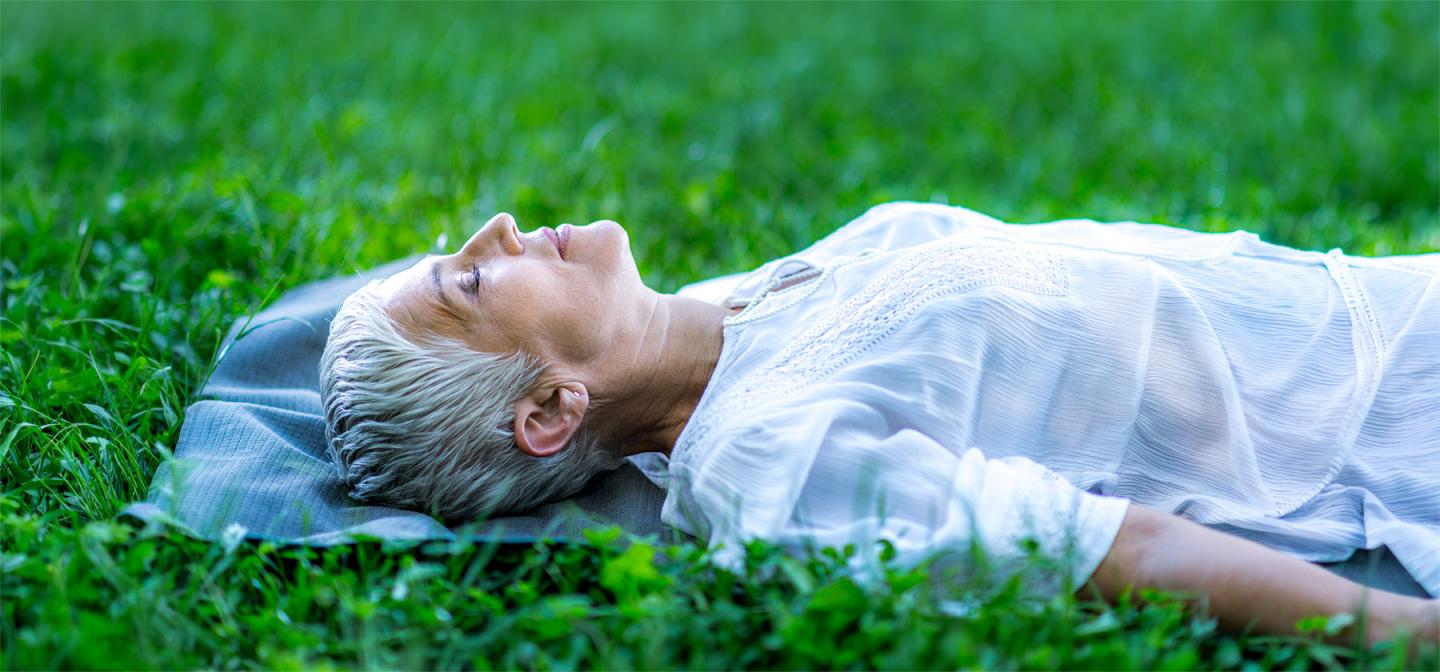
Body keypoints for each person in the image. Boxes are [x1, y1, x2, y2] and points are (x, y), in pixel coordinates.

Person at [320, 203, 1439, 645]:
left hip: (1381, 301)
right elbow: (1117, 550)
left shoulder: (727, 314)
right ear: (551, 410)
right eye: (471, 283)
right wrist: (1406, 637)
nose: (498, 226)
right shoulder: (768, 462)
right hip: (1391, 423)